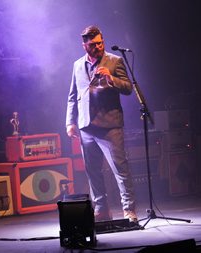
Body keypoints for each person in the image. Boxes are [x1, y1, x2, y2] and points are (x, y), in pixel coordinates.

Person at [65, 25, 137, 223]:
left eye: (100, 43)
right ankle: (102, 209)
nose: (98, 47)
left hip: (110, 127)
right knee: (93, 172)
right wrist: (70, 122)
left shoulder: (115, 61)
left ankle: (129, 210)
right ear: (84, 46)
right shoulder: (77, 65)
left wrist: (111, 78)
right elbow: (73, 96)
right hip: (86, 126)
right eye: (93, 44)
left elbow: (128, 88)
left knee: (120, 170)